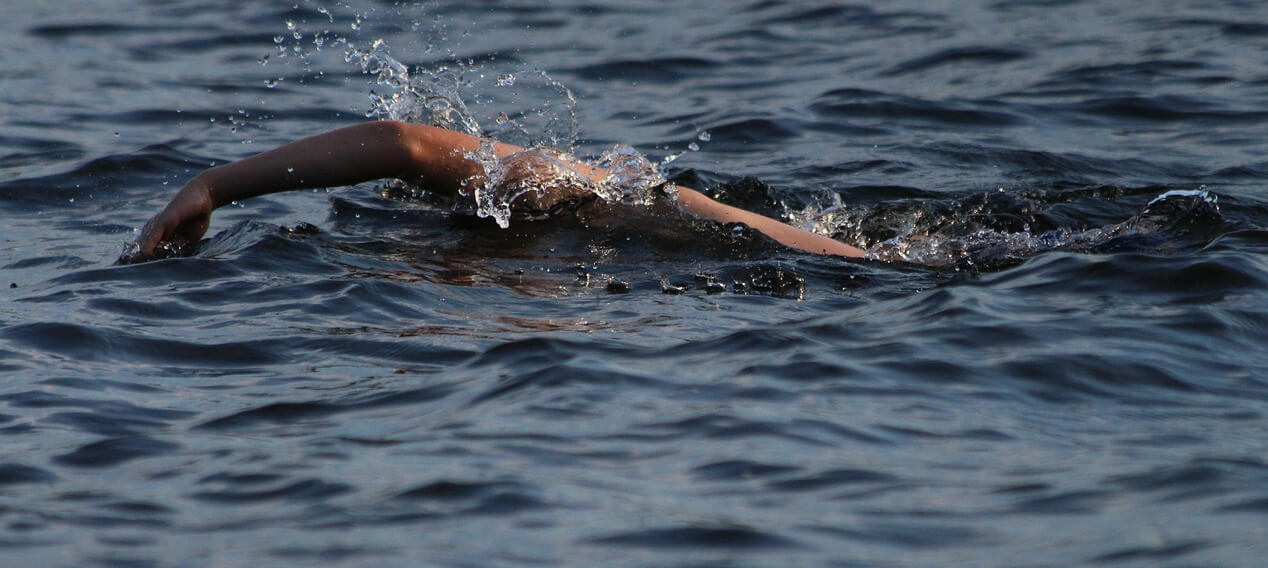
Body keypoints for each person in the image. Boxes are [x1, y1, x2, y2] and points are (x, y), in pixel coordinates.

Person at [126, 120, 867, 262]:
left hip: (780, 258)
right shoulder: (551, 209)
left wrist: (210, 186)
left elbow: (402, 144)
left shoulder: (545, 190)